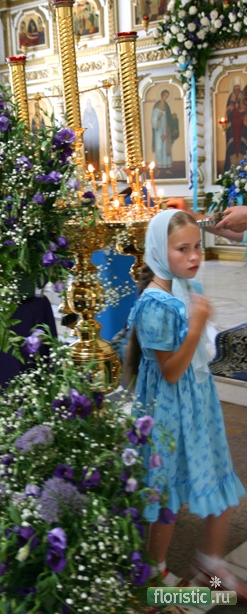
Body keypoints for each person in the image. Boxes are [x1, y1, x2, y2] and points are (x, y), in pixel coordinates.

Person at [123, 209, 246, 599]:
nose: (194, 256)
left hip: (198, 404)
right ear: (160, 251)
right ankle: (154, 577)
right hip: (169, 411)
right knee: (169, 495)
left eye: (197, 247)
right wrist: (195, 326)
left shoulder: (184, 286)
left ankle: (209, 565)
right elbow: (171, 372)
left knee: (219, 477)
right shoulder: (155, 304)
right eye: (182, 249)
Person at [151, 90, 179, 178]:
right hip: (159, 131)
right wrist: (158, 118)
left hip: (166, 130)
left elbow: (168, 118)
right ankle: (159, 169)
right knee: (159, 148)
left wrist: (172, 116)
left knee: (167, 149)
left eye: (167, 96)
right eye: (165, 95)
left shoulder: (166, 106)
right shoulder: (157, 106)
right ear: (162, 95)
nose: (166, 97)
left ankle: (167, 168)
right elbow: (153, 120)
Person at [223, 77, 247, 173]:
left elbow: (245, 109)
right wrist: (231, 108)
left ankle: (243, 163)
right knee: (232, 143)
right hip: (232, 125)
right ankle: (231, 165)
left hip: (242, 124)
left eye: (238, 87)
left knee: (242, 142)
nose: (236, 90)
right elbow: (228, 111)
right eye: (235, 88)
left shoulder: (243, 96)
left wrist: (242, 109)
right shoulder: (231, 96)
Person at [82, 98, 100, 172]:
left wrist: (92, 125)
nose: (88, 104)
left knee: (94, 150)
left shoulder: (93, 111)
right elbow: (84, 122)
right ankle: (88, 166)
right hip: (87, 135)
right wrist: (87, 123)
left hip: (94, 134)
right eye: (87, 103)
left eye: (89, 103)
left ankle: (96, 166)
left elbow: (95, 122)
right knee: (88, 150)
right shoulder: (85, 112)